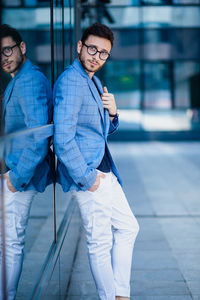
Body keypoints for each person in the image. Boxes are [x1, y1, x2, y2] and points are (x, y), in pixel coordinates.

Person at [54, 23, 139, 300]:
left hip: (104, 172)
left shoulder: (92, 80)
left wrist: (113, 114)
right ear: (80, 47)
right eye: (92, 49)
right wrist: (87, 178)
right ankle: (111, 297)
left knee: (128, 227)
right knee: (100, 243)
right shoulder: (71, 80)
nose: (96, 56)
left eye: (103, 53)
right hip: (90, 175)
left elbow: (100, 131)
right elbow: (62, 138)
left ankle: (120, 294)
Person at [0, 24, 52, 300]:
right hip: (14, 172)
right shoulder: (19, 79)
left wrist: (16, 178)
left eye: (8, 49)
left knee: (10, 245)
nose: (4, 57)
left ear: (22, 48)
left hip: (19, 178)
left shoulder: (29, 80)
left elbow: (38, 136)